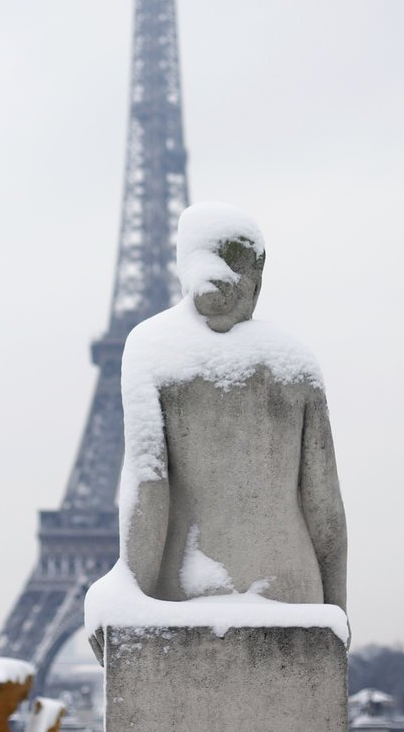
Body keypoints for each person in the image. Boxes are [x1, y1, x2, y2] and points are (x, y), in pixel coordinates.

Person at [122, 204, 347, 611]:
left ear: (185, 268)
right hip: (292, 589)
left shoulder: (151, 351)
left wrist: (129, 594)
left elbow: (148, 486)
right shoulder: (296, 364)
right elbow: (324, 505)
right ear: (256, 280)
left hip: (189, 587)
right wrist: (337, 607)